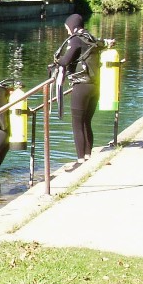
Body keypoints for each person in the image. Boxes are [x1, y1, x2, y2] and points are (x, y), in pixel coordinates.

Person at [52, 14, 114, 169]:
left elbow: (65, 60)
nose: (67, 32)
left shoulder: (75, 39)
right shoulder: (91, 37)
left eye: (67, 28)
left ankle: (80, 161)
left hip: (82, 85)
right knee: (86, 121)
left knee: (77, 123)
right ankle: (88, 156)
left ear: (72, 26)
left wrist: (55, 63)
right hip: (95, 85)